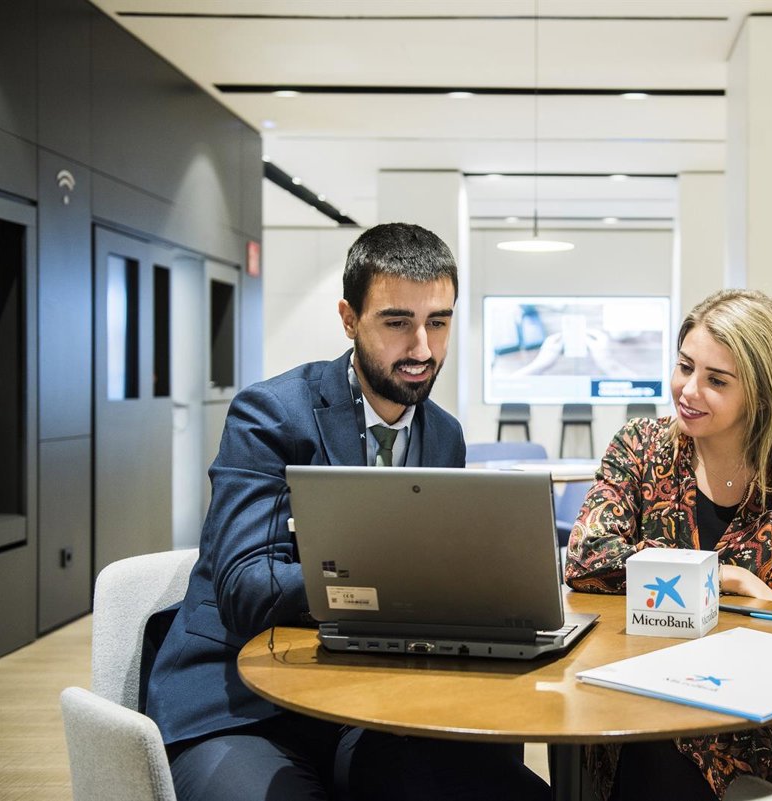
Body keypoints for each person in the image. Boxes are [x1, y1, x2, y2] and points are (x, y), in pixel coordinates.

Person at [143, 223, 549, 801]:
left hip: (373, 704)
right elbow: (244, 588)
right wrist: (394, 579)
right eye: (397, 323)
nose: (422, 349)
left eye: (438, 322)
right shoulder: (271, 415)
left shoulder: (444, 437)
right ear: (349, 319)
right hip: (240, 702)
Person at [565, 289, 772, 801]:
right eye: (684, 366)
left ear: (762, 393)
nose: (688, 390)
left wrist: (663, 582)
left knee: (664, 747)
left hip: (757, 711)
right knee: (645, 738)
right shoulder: (641, 446)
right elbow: (587, 560)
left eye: (716, 380)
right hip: (641, 684)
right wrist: (724, 577)